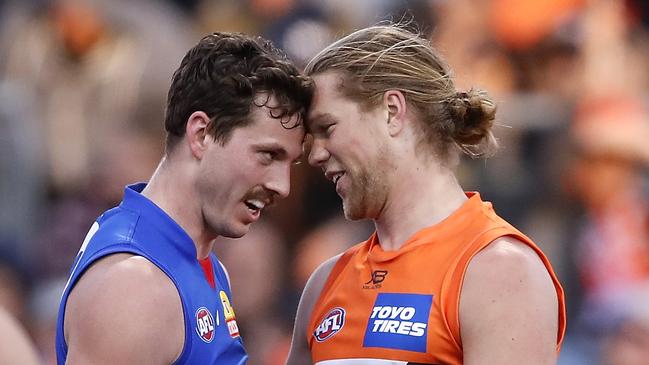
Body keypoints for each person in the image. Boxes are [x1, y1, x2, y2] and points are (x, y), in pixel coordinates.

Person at [287, 24, 566, 365]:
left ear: (392, 111)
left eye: (327, 128)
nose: (314, 154)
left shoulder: (499, 271)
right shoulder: (324, 283)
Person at [55, 32, 313, 364]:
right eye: (267, 155)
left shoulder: (198, 261)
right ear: (201, 134)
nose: (283, 185)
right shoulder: (133, 288)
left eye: (289, 163)